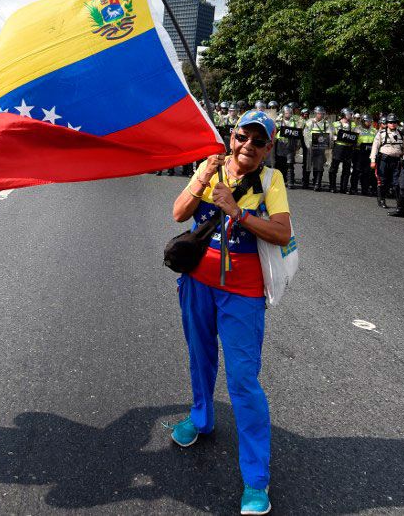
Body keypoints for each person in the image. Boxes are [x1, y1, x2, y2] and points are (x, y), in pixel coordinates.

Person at [171, 110, 291, 516]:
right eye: (243, 137)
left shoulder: (272, 181)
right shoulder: (211, 168)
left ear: (268, 148)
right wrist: (204, 177)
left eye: (259, 142)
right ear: (232, 135)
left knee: (243, 379)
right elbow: (179, 213)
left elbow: (282, 233)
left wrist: (238, 212)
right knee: (200, 358)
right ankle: (201, 418)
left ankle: (256, 479)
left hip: (242, 292)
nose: (249, 147)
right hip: (198, 283)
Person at [370, 113, 404, 208]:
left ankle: (399, 204)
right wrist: (373, 160)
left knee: (396, 182)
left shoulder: (401, 134)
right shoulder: (381, 133)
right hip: (384, 160)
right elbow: (375, 147)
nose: (392, 124)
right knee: (382, 181)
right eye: (390, 122)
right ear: (387, 123)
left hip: (396, 160)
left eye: (394, 122)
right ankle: (381, 200)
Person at [328, 108, 357, 193]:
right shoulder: (335, 124)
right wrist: (335, 137)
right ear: (344, 114)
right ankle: (332, 186)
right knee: (334, 168)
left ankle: (343, 188)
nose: (351, 116)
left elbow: (356, 135)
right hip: (338, 148)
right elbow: (330, 135)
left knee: (347, 169)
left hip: (348, 149)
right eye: (349, 114)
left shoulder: (353, 125)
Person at [274, 105, 302, 188]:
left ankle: (290, 181)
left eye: (290, 113)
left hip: (290, 144)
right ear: (283, 113)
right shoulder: (279, 121)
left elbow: (298, 133)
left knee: (290, 163)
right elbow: (275, 128)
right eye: (286, 113)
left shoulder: (295, 121)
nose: (288, 114)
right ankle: (280, 181)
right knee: (280, 163)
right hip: (280, 143)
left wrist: (298, 144)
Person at [304, 106, 331, 191]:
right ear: (315, 113)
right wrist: (308, 145)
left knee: (319, 165)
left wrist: (327, 145)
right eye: (319, 113)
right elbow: (306, 133)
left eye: (322, 113)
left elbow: (329, 135)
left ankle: (317, 183)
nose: (321, 115)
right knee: (308, 164)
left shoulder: (326, 123)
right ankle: (306, 182)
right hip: (311, 145)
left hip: (320, 146)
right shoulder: (310, 122)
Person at [349, 114, 376, 196]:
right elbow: (352, 140)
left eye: (370, 121)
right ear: (363, 121)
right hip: (359, 152)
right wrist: (357, 145)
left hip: (369, 153)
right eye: (367, 121)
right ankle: (353, 188)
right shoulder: (357, 129)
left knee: (366, 172)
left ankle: (365, 189)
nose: (369, 123)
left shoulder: (374, 130)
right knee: (356, 171)